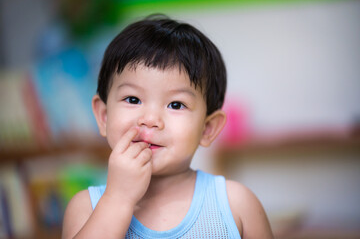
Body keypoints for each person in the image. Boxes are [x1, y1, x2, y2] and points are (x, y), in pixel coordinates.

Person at [62, 14, 273, 239]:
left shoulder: (237, 205)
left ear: (207, 128)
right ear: (104, 116)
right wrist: (118, 199)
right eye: (133, 99)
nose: (150, 119)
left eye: (176, 104)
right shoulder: (85, 208)